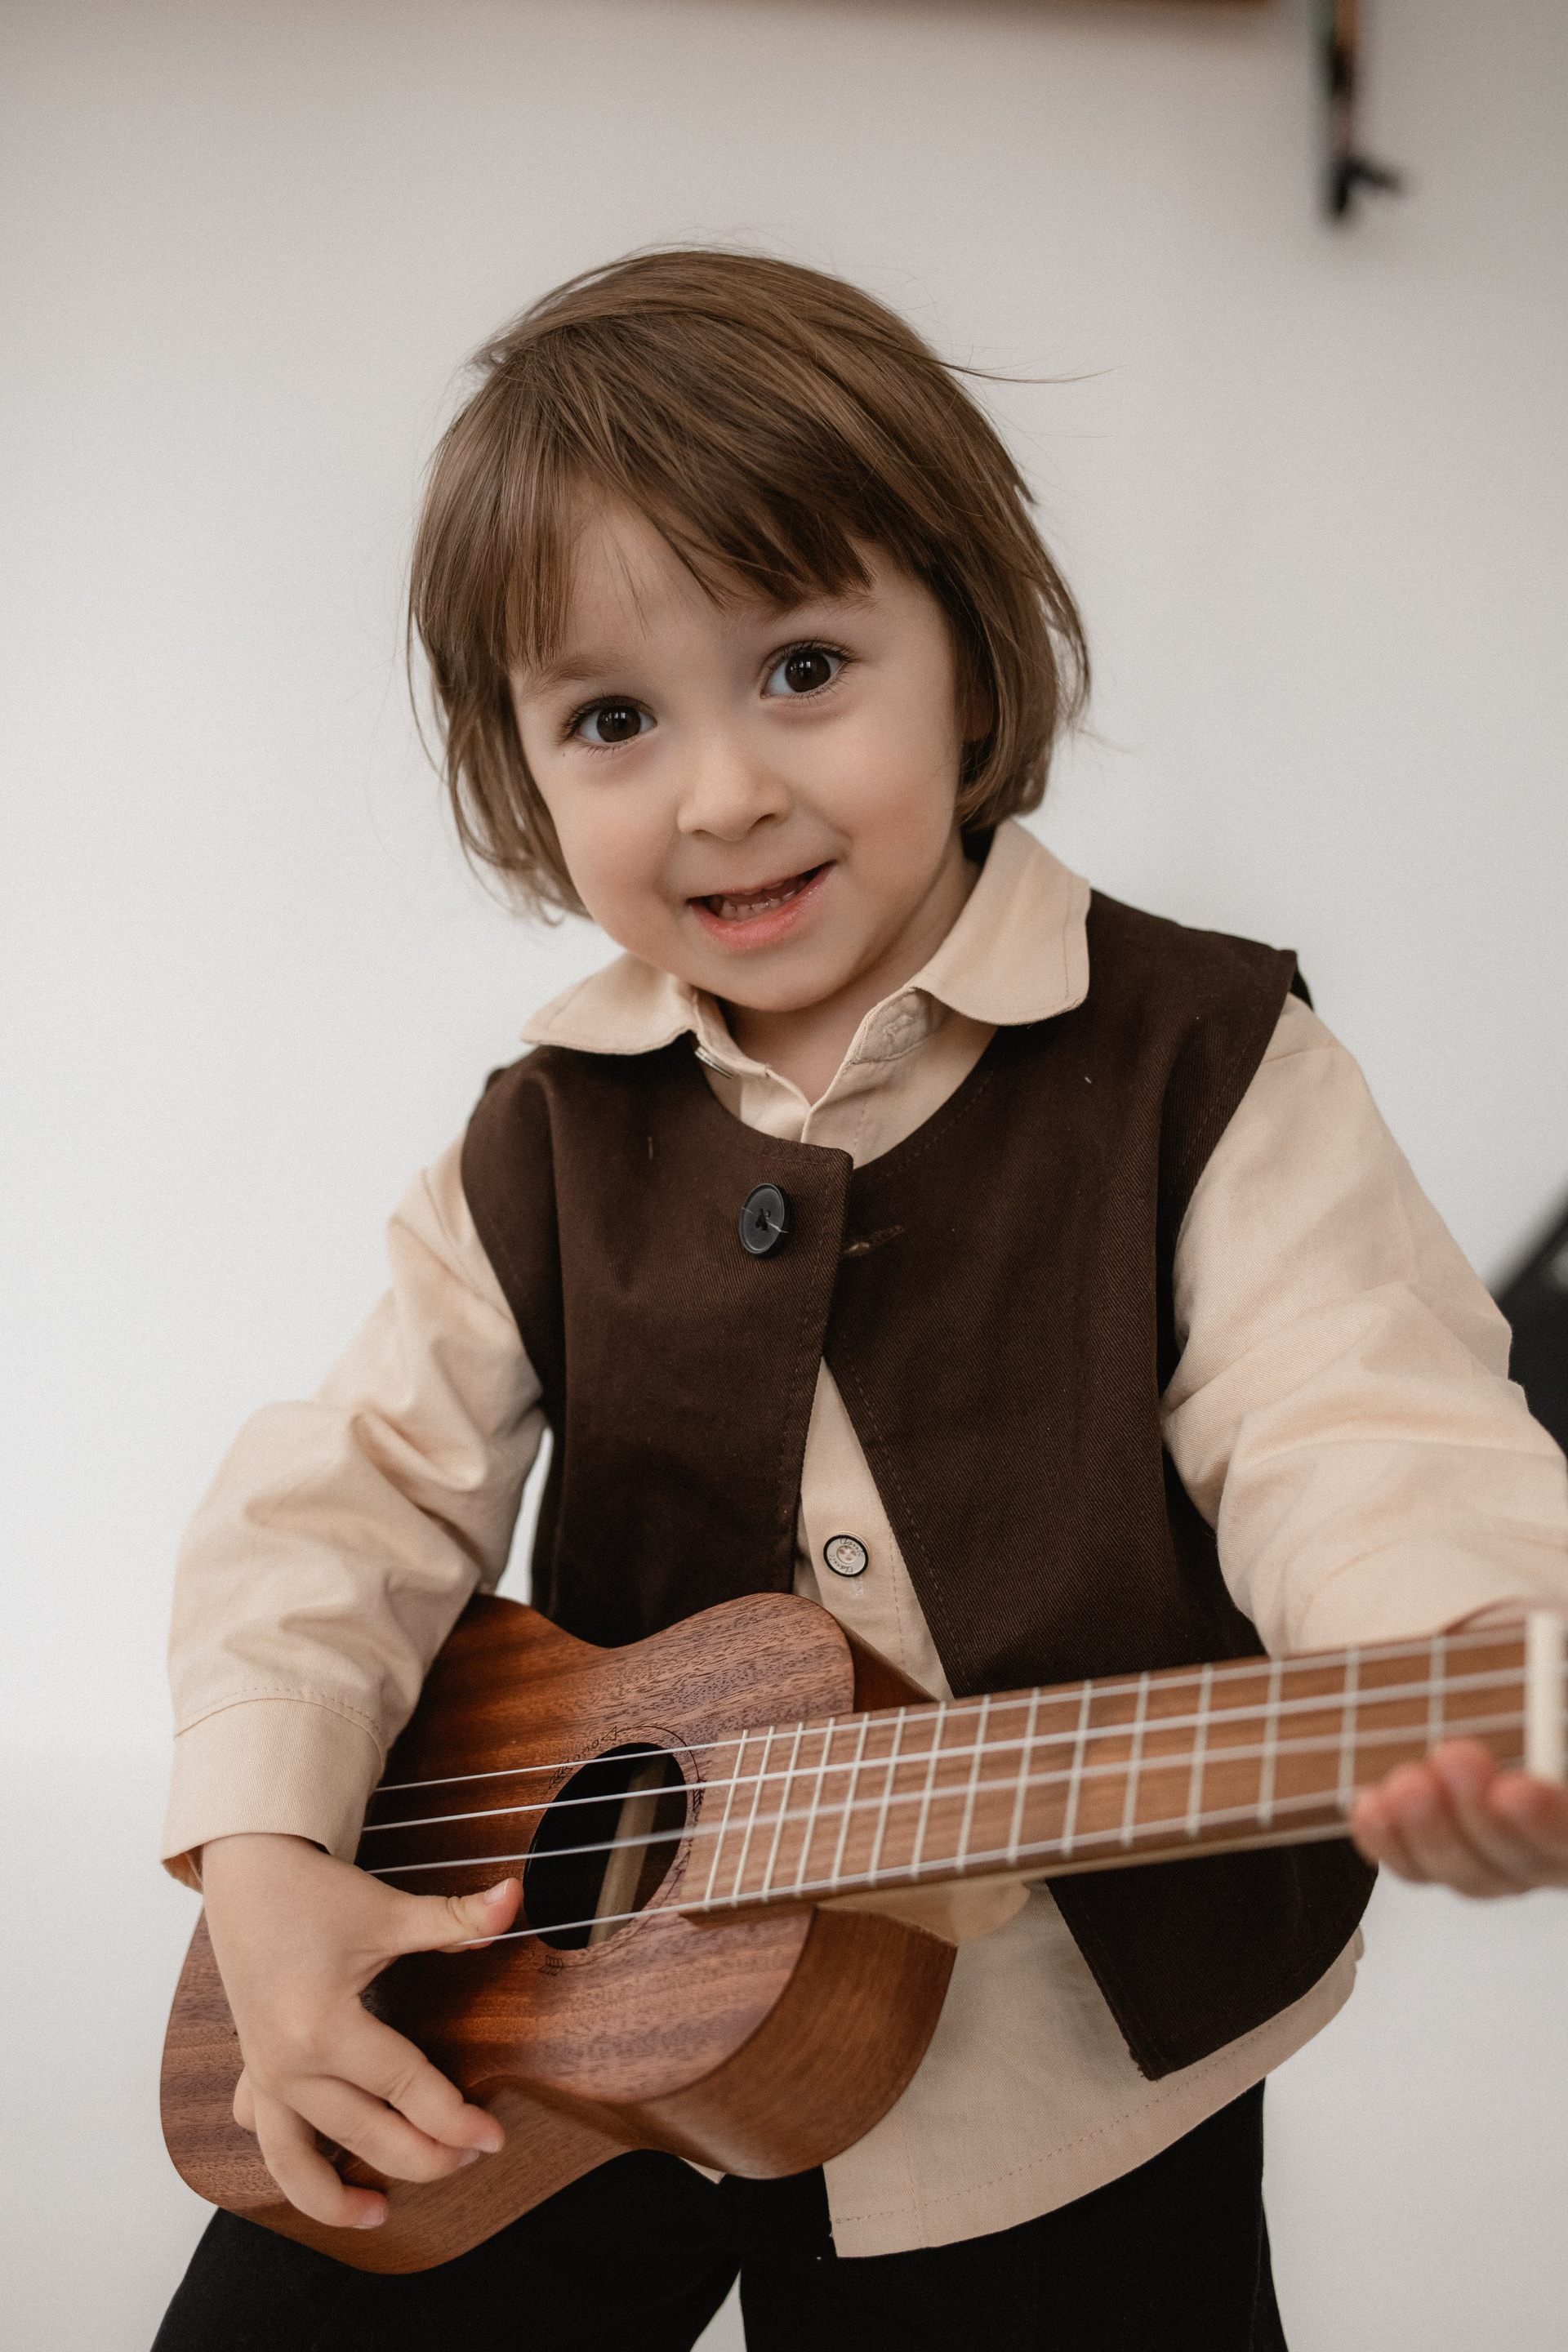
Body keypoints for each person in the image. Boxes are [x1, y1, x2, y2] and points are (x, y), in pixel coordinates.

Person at [152, 250, 1568, 2352]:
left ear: (969, 659)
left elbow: (1350, 1415)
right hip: (560, 2009)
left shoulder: (1204, 1064)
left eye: (803, 666)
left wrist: (1465, 1653)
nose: (722, 791)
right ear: (518, 769)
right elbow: (349, 1489)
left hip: (1051, 2089)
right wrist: (267, 1855)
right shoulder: (547, 1128)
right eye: (613, 719)